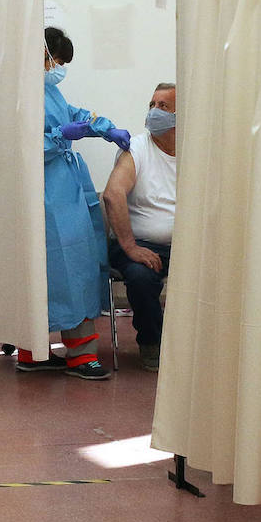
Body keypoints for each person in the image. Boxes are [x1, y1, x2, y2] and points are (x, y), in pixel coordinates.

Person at [17, 26, 130, 381]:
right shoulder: (18, 94)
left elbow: (73, 113)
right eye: (56, 61)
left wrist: (102, 126)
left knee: (68, 265)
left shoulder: (49, 91)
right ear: (41, 57)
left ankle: (34, 350)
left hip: (64, 188)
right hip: (44, 193)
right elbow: (22, 146)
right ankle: (77, 355)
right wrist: (58, 137)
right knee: (66, 267)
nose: (58, 68)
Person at [102, 82, 176, 372]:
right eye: (152, 105)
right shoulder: (136, 148)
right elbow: (113, 193)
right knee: (140, 277)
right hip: (137, 245)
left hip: (185, 246)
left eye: (164, 107)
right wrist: (131, 246)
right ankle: (152, 344)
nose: (154, 112)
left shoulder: (197, 153)